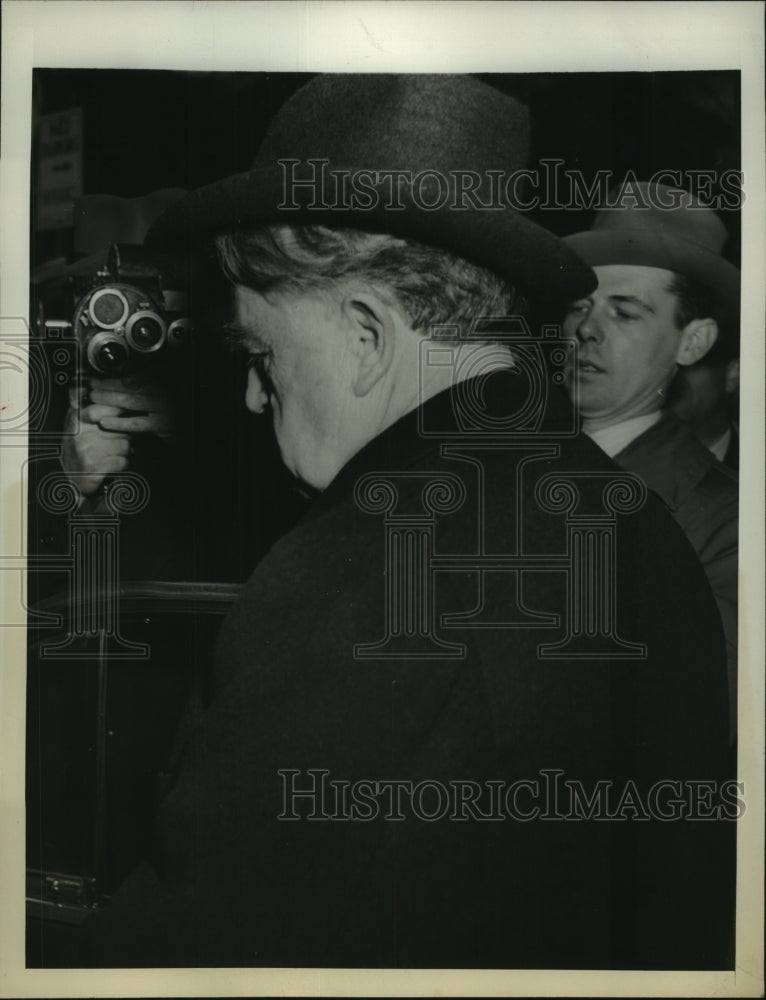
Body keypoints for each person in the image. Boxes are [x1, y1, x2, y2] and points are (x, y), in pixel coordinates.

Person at [77, 75, 735, 970]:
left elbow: (189, 966)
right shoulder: (634, 525)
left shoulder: (363, 588)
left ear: (368, 336)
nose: (248, 391)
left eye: (260, 352)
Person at [562, 183, 739, 738]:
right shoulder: (498, 466)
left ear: (693, 343)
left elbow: (702, 718)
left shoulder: (725, 522)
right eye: (579, 305)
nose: (587, 329)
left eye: (626, 311)